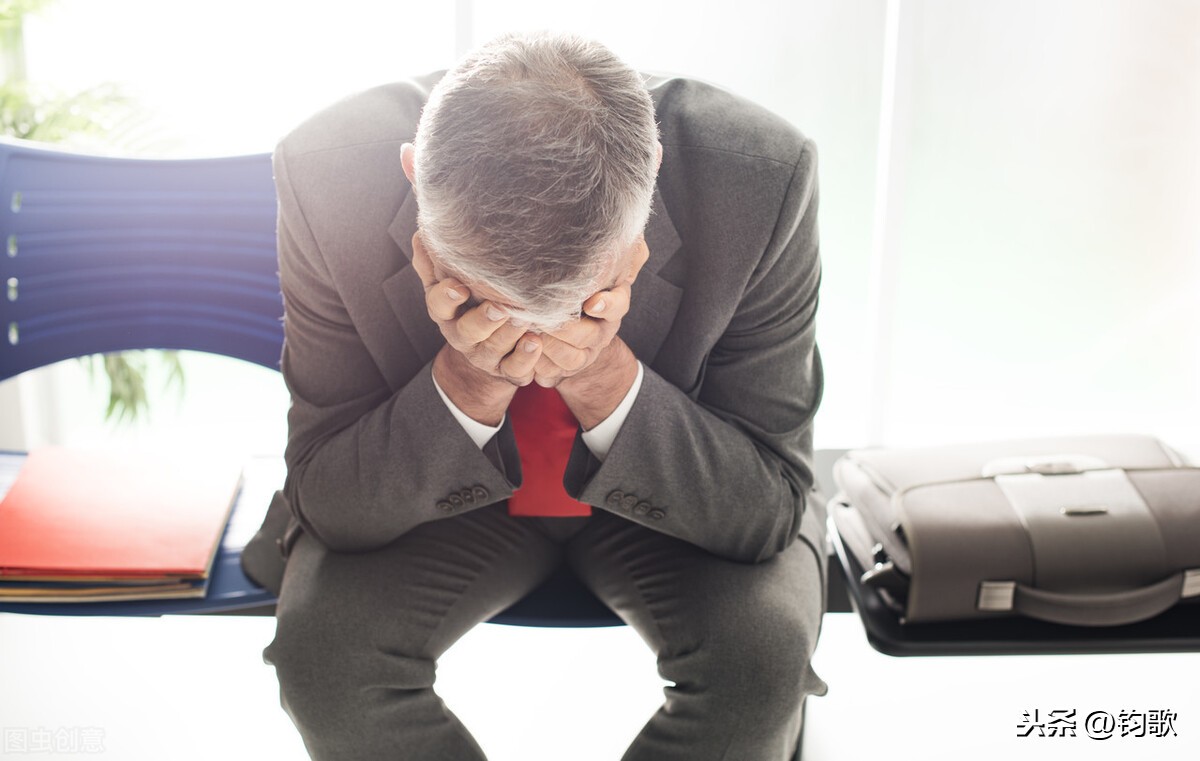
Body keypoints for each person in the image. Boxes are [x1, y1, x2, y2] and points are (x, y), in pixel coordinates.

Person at [240, 30, 828, 761]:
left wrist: (601, 374)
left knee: (760, 668)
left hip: (678, 494)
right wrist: (471, 378)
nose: (535, 341)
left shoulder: (762, 176)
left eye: (579, 301)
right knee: (326, 664)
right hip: (434, 497)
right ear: (415, 177)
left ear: (651, 174)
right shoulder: (323, 173)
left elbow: (766, 507)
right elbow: (328, 499)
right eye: (491, 304)